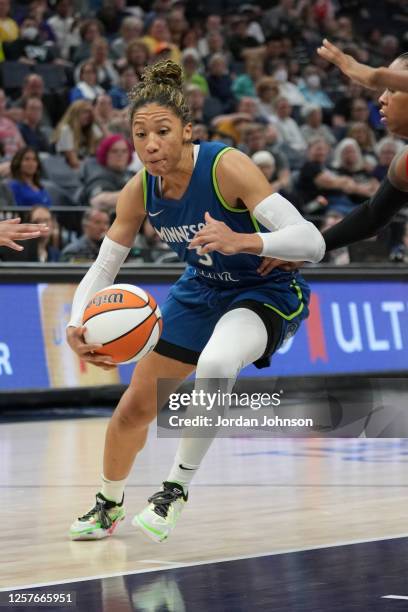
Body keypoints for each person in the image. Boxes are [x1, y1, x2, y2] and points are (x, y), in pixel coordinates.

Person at [66, 60, 325, 543]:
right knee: (133, 409)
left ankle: (174, 489)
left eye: (162, 131)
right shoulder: (138, 190)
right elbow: (103, 268)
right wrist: (75, 325)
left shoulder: (227, 166)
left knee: (218, 359)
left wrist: (248, 242)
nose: (150, 144)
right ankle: (108, 504)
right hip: (201, 288)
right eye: (140, 134)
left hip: (263, 290)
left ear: (187, 131)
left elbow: (312, 242)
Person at [316, 40, 408, 252]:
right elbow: (371, 217)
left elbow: (375, 76)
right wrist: (310, 248)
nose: (382, 99)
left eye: (393, 89)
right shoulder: (405, 163)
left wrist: (363, 71)